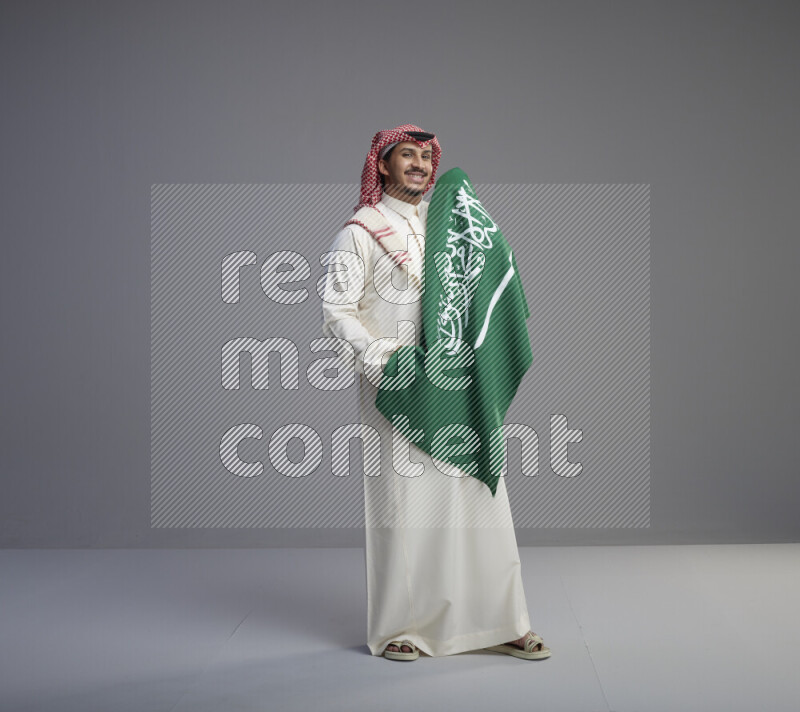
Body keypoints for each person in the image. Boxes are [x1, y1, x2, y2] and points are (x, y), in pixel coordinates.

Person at [320, 124, 551, 661]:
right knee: (402, 507)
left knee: (480, 498)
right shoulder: (360, 230)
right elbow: (335, 310)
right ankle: (403, 628)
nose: (421, 165)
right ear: (381, 164)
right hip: (396, 385)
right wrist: (385, 361)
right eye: (408, 155)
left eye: (427, 157)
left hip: (457, 382)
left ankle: (504, 622)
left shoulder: (451, 226)